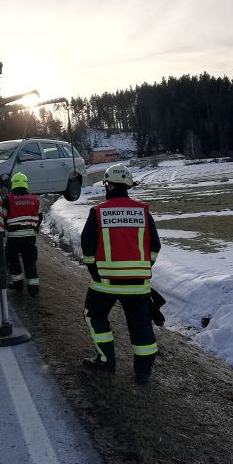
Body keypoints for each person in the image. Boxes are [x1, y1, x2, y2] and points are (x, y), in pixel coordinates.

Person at [80, 164, 161, 384]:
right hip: (138, 284)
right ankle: (143, 372)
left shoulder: (98, 212)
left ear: (110, 185)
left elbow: (87, 247)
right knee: (140, 324)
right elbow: (155, 245)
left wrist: (94, 271)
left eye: (106, 184)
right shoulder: (143, 211)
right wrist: (144, 267)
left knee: (94, 315)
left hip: (105, 283)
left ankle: (106, 360)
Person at [3, 172, 43, 296]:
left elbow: (3, 217)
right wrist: (34, 228)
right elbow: (40, 216)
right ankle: (33, 288)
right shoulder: (35, 199)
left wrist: (7, 228)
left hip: (14, 237)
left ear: (13, 184)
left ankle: (18, 284)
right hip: (30, 237)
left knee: (13, 260)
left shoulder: (8, 199)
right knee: (29, 261)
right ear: (26, 184)